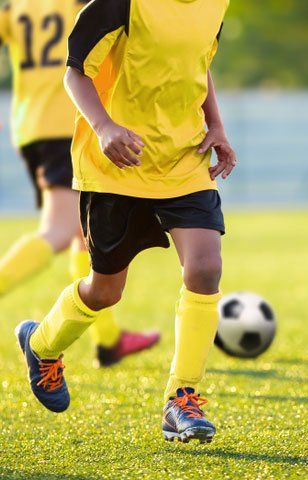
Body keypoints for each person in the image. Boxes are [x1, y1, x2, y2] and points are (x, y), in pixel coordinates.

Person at [13, 0, 235, 444]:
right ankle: (42, 346)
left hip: (183, 160)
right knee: (105, 290)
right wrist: (104, 127)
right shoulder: (120, 3)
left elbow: (199, 65)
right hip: (116, 165)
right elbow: (74, 72)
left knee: (205, 267)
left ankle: (181, 399)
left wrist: (217, 127)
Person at [0, 0, 159, 368]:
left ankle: (108, 339)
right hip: (71, 122)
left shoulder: (16, 6)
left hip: (32, 128)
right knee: (61, 228)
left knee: (82, 234)